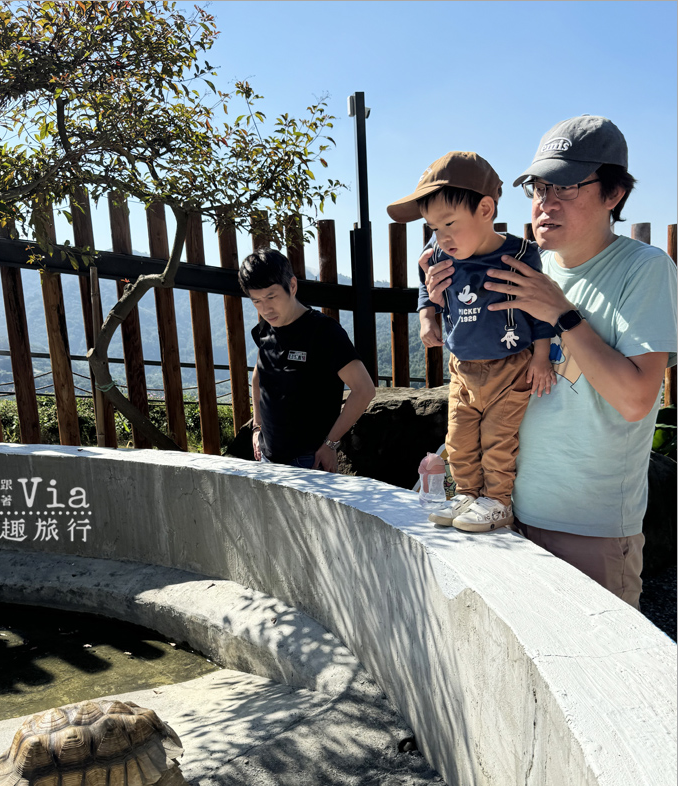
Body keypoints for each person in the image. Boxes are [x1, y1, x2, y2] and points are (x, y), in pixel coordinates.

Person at [420, 116, 677, 608]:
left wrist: (560, 314)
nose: (545, 202)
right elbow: (485, 376)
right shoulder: (518, 263)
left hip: (592, 531)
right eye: (538, 187)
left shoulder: (643, 269)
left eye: (566, 187)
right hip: (505, 512)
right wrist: (435, 309)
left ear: (614, 194)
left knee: (598, 674)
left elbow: (636, 399)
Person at [387, 152, 556, 533]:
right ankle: (465, 493)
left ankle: (496, 501)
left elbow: (540, 309)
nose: (441, 236)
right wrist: (426, 315)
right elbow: (425, 287)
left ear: (485, 209)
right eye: (432, 227)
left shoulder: (520, 254)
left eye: (449, 223)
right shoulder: (441, 253)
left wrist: (541, 356)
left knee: (498, 439)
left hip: (510, 365)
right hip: (461, 367)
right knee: (459, 438)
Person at [239, 248, 375, 471]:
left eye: (272, 297)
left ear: (292, 286)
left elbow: (364, 389)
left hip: (309, 460)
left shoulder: (324, 332)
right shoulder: (265, 329)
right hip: (267, 457)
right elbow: (258, 376)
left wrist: (330, 444)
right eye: (257, 301)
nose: (265, 308)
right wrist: (257, 426)